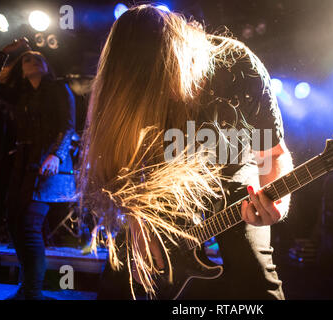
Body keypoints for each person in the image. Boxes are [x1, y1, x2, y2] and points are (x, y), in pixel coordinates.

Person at [79, 4, 293, 300]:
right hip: (161, 187)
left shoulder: (237, 65)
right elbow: (120, 165)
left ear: (180, 56)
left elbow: (274, 152)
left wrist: (277, 203)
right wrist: (137, 220)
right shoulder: (130, 85)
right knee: (120, 283)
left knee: (255, 280)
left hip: (235, 178)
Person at [0, 39, 77, 300]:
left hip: (48, 165)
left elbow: (68, 125)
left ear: (46, 66)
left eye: (37, 58)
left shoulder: (59, 89)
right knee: (15, 222)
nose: (32, 61)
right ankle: (28, 288)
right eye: (27, 59)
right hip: (23, 164)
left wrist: (56, 155)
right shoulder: (21, 95)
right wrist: (3, 54)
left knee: (29, 224)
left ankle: (32, 291)